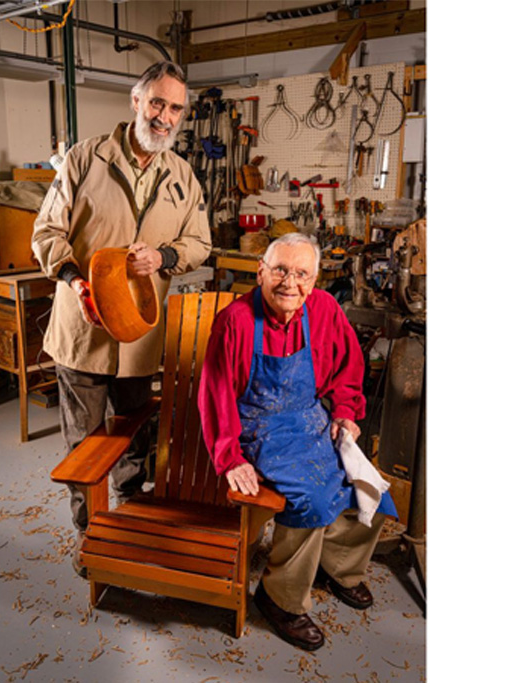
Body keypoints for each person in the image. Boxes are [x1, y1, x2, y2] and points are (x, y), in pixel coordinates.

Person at [32, 61, 212, 576]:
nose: (165, 116)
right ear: (136, 101)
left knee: (137, 436)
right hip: (83, 330)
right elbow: (47, 234)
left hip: (140, 337)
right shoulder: (84, 159)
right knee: (85, 444)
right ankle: (91, 534)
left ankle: (131, 516)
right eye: (157, 102)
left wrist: (164, 258)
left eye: (175, 108)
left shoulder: (182, 176)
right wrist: (74, 280)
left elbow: (200, 242)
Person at [198, 232, 396, 651]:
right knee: (309, 496)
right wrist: (230, 456)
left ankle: (336, 567)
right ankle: (279, 599)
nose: (290, 282)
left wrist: (345, 410)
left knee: (369, 488)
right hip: (257, 425)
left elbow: (349, 363)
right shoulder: (235, 320)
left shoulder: (322, 308)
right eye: (280, 270)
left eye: (301, 273)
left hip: (311, 418)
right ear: (261, 272)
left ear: (315, 278)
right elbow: (214, 393)